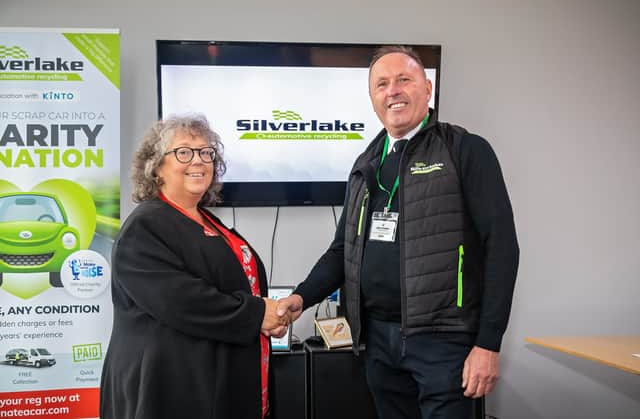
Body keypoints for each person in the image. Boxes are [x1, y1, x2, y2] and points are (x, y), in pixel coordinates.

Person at [276, 46, 519, 418]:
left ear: (427, 88)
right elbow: (343, 251)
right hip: (377, 341)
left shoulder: (465, 150)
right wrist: (301, 298)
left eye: (404, 79)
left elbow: (501, 248)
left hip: (445, 341)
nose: (393, 91)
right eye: (382, 84)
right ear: (372, 99)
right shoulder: (365, 164)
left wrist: (488, 343)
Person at [100, 114, 289, 419]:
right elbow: (179, 300)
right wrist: (256, 315)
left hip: (219, 381)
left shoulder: (207, 220)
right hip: (173, 390)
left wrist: (268, 317)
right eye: (184, 152)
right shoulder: (144, 227)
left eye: (206, 152)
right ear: (156, 167)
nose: (199, 161)